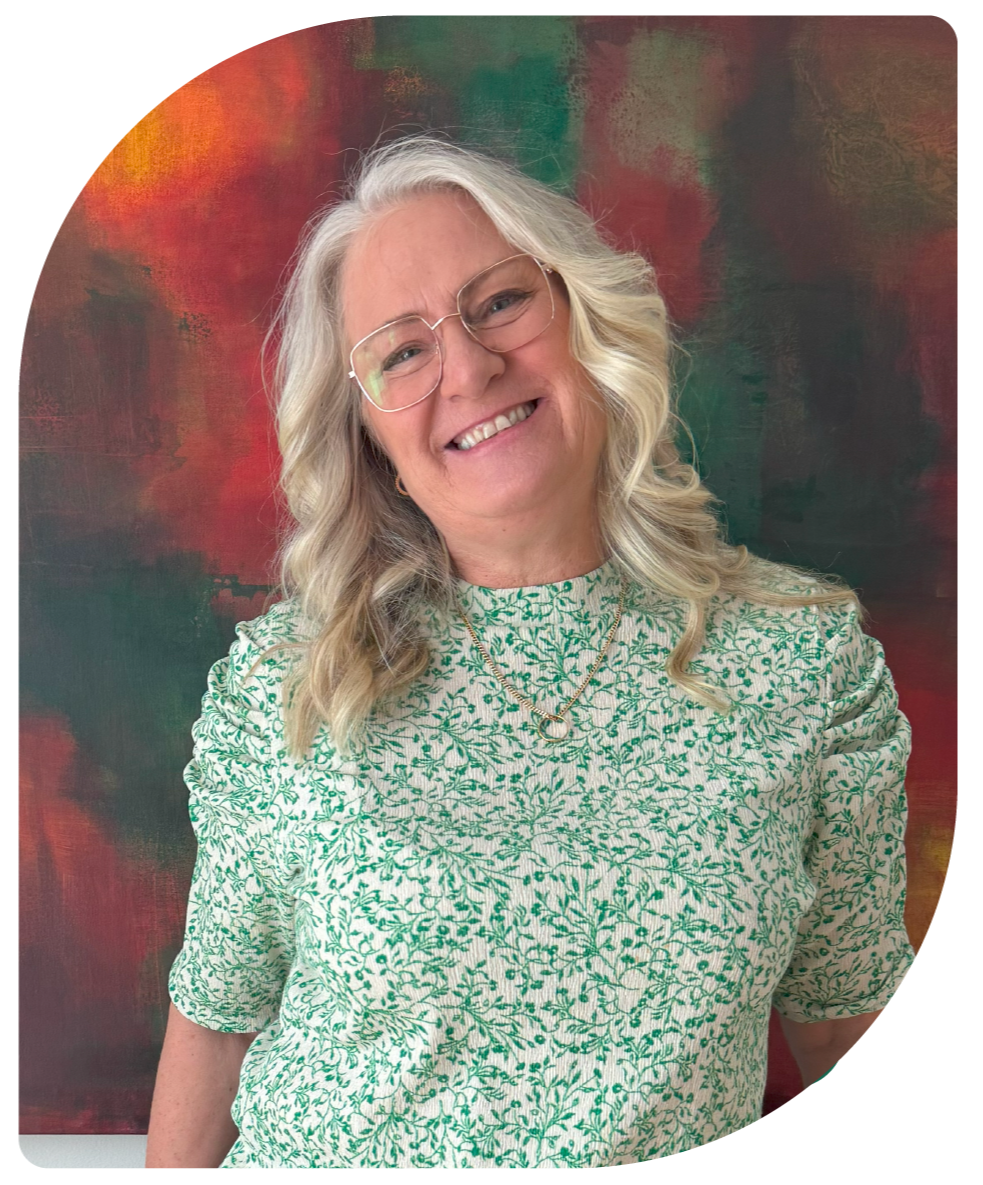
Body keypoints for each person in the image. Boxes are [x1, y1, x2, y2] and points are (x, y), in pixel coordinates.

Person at [145, 136, 916, 1169]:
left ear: (585, 320)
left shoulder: (803, 667)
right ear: (370, 440)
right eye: (401, 353)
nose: (467, 367)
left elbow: (845, 1016)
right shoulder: (290, 684)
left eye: (499, 302)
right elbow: (218, 1019)